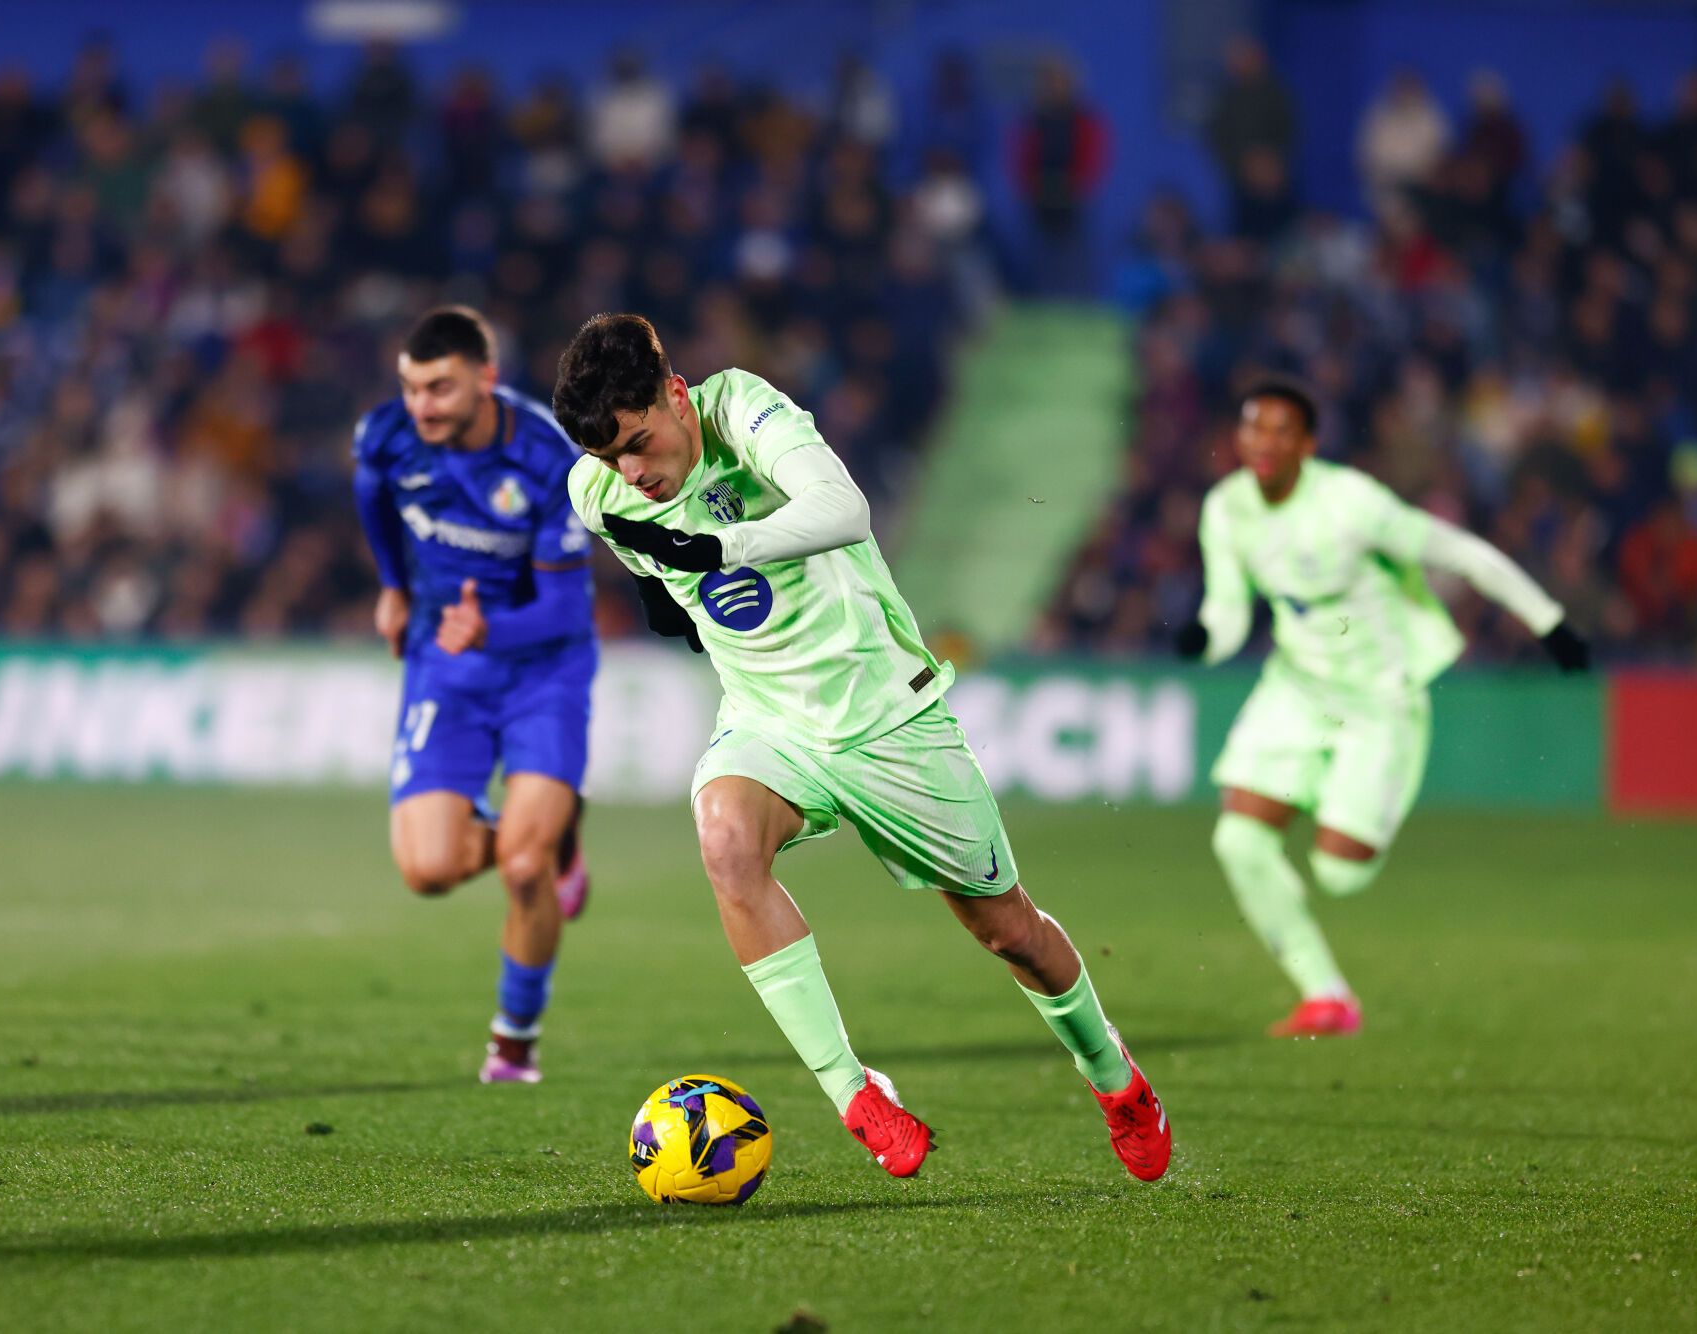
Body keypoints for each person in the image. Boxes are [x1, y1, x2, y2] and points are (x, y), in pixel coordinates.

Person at [551, 313, 1170, 1182]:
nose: (632, 474)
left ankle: (1115, 1078)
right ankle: (855, 1092)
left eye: (641, 443)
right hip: (770, 720)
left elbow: (844, 510)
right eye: (611, 457)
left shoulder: (744, 411)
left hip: (887, 716)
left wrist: (718, 547)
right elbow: (655, 570)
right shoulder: (601, 491)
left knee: (1007, 930)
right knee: (727, 843)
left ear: (677, 398)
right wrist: (671, 587)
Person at [1177, 379, 1590, 1037]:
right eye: (1254, 426)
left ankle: (1330, 792)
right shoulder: (1227, 507)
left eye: (1282, 430)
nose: (1264, 441)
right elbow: (1227, 608)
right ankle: (1326, 996)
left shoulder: (1351, 503)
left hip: (1379, 699)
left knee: (1339, 874)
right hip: (1297, 687)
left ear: (1308, 445)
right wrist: (1203, 640)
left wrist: (1550, 622)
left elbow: (1461, 553)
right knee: (1238, 839)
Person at [351, 306, 597, 1084]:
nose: (422, 405)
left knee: (524, 870)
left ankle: (513, 1043)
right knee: (427, 871)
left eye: (441, 388)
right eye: (413, 387)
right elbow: (371, 497)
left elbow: (567, 608)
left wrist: (487, 630)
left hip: (541, 669)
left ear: (486, 379)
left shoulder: (547, 461)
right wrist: (393, 587)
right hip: (443, 664)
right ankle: (551, 828)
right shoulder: (385, 437)